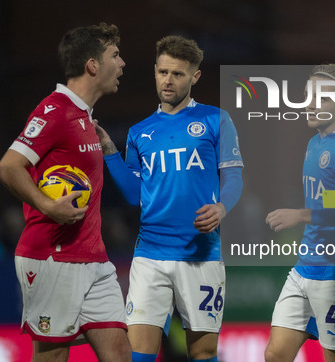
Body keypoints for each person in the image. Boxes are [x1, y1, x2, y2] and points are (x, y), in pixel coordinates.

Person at [95, 35, 243, 362]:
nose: (168, 80)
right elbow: (134, 194)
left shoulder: (215, 120)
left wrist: (221, 207)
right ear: (154, 72)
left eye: (177, 74)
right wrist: (109, 152)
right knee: (139, 353)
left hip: (201, 253)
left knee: (202, 353)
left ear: (195, 77)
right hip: (151, 254)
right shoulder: (139, 132)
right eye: (162, 72)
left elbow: (233, 177)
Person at [0, 23, 131, 362]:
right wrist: (47, 205)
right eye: (115, 55)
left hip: (94, 259)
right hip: (52, 256)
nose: (123, 63)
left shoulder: (84, 117)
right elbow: (8, 167)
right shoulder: (54, 111)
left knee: (120, 354)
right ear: (92, 65)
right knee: (52, 358)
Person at [263, 65, 335, 362]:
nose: (309, 103)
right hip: (305, 267)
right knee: (275, 354)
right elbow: (334, 201)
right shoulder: (314, 143)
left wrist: (301, 215)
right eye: (308, 95)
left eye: (320, 97)